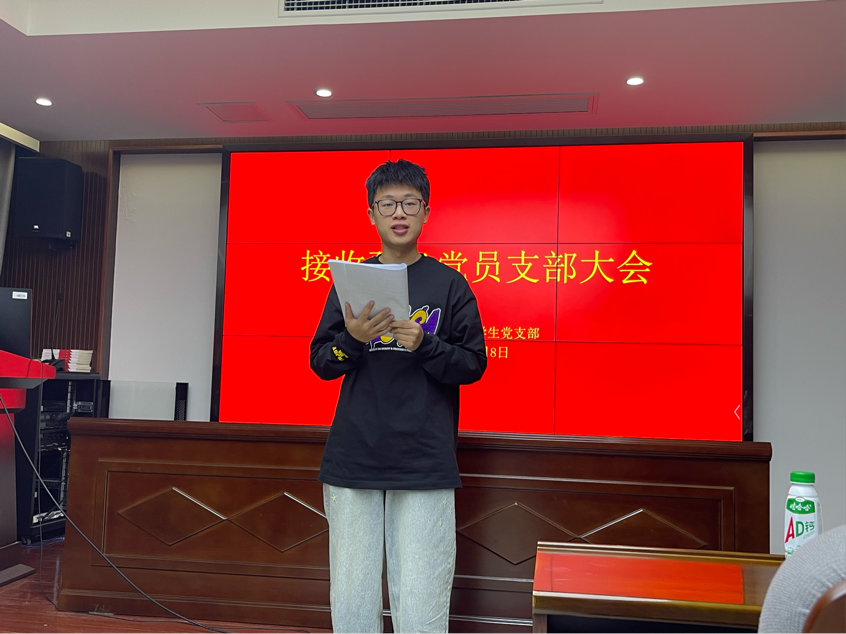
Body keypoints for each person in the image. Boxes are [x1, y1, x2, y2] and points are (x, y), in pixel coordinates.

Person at [309, 159, 487, 633]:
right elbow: (321, 362)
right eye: (387, 204)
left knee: (423, 592)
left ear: (426, 212)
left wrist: (425, 343)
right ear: (371, 214)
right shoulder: (350, 281)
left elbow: (473, 364)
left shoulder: (449, 284)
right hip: (354, 455)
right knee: (352, 590)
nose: (399, 213)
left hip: (424, 457)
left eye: (410, 203)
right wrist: (353, 340)